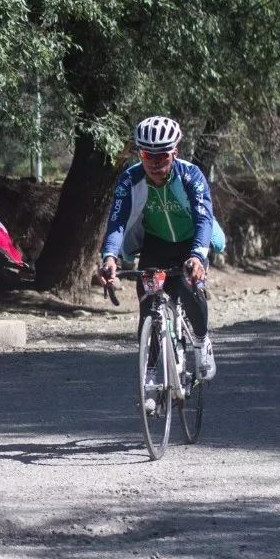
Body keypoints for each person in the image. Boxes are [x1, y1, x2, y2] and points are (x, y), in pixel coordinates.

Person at [98, 116, 216, 382]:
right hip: (155, 245)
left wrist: (198, 256)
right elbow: (117, 221)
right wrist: (110, 257)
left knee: (189, 288)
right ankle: (150, 374)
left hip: (189, 244)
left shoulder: (190, 175)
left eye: (161, 156)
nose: (154, 163)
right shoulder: (130, 179)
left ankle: (201, 342)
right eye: (146, 155)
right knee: (149, 305)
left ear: (175, 152)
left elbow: (204, 218)